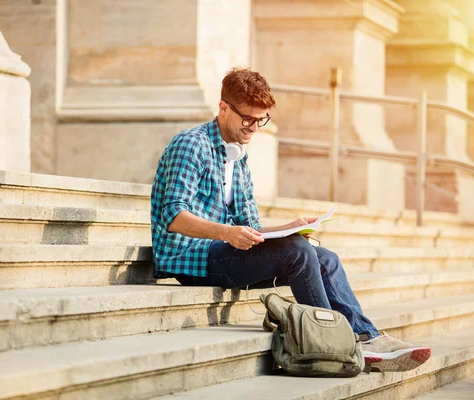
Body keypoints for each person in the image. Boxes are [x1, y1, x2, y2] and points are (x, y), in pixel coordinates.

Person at [150, 67, 431, 373]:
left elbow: (250, 228)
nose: (254, 128)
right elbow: (174, 216)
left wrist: (288, 228)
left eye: (262, 120)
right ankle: (336, 344)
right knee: (297, 252)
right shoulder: (191, 144)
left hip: (222, 252)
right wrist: (229, 233)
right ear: (223, 108)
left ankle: (367, 337)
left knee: (326, 258)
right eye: (247, 118)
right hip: (190, 257)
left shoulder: (238, 157)